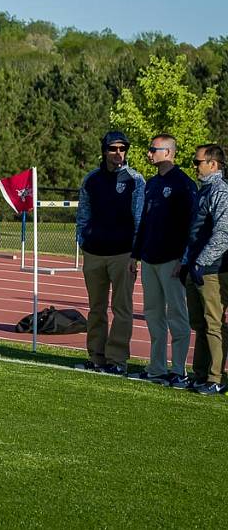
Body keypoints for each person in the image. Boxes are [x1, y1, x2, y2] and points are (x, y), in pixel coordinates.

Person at [74, 131, 144, 374]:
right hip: (94, 253)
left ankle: (117, 360)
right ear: (104, 150)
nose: (118, 153)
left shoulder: (136, 180)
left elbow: (139, 218)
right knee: (96, 308)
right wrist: (83, 241)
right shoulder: (91, 179)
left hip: (123, 254)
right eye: (113, 149)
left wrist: (135, 253)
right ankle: (96, 356)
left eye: (122, 149)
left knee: (122, 309)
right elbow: (83, 213)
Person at [129, 134, 196, 387]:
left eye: (153, 149)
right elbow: (144, 222)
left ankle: (179, 370)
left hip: (172, 261)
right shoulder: (152, 184)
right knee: (153, 314)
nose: (149, 154)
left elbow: (192, 225)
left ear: (167, 153)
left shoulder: (183, 184)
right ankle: (157, 367)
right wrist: (136, 255)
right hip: (149, 258)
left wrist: (184, 259)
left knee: (177, 315)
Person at [181, 144, 228, 395]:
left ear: (213, 164)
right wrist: (188, 262)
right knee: (199, 324)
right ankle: (200, 374)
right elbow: (195, 232)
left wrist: (200, 261)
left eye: (197, 162)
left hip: (213, 269)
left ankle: (216, 377)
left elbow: (223, 233)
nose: (195, 167)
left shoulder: (221, 191)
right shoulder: (204, 190)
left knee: (213, 324)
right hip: (196, 266)